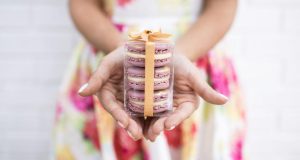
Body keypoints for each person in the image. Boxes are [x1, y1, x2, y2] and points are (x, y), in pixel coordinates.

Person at [53, 0, 246, 159]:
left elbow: (223, 7)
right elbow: (81, 4)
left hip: (194, 53)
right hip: (111, 58)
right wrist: (129, 55)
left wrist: (171, 59)